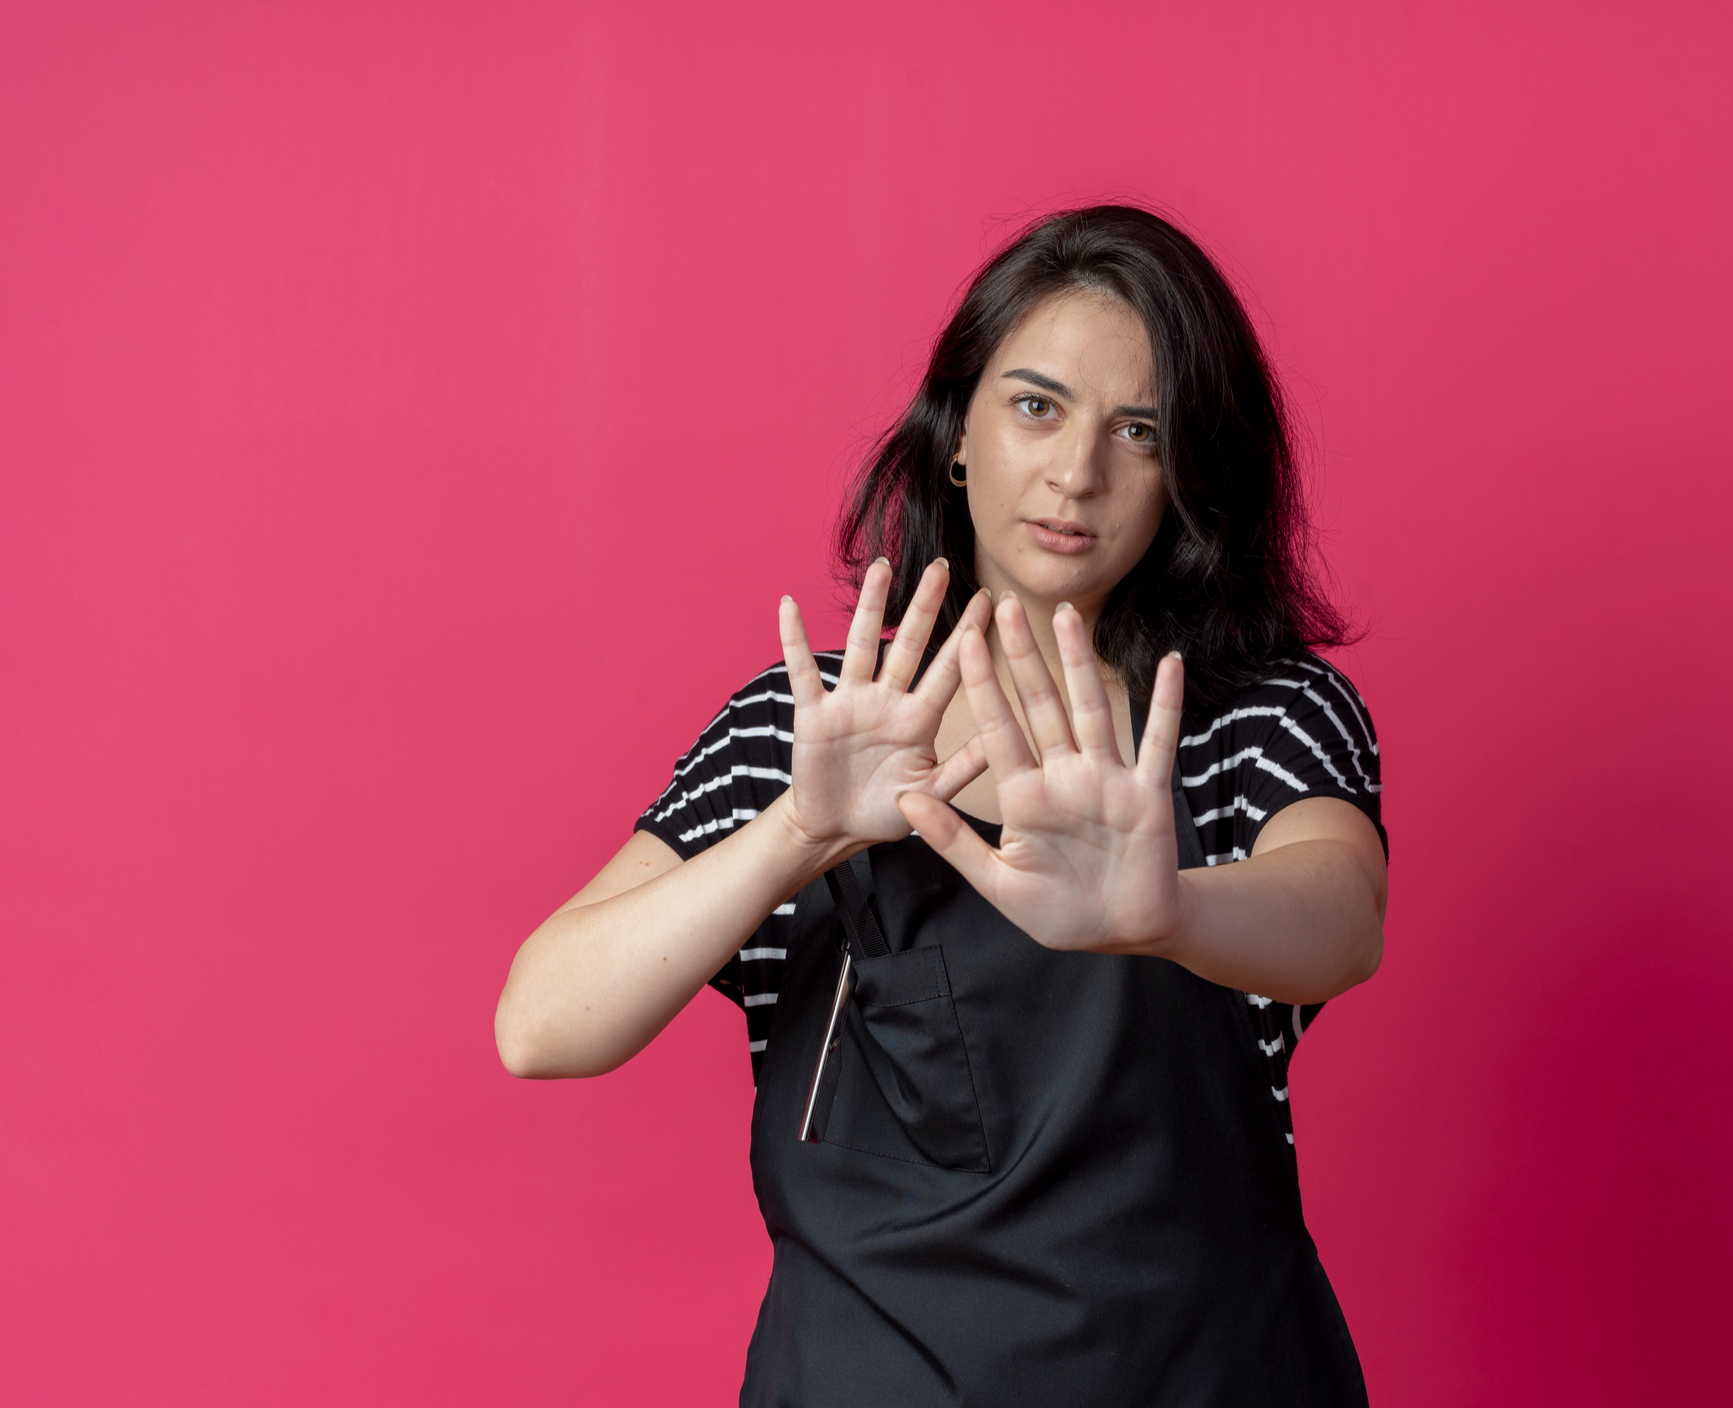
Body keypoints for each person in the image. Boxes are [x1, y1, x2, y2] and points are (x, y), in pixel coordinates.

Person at [495, 205, 1388, 1406]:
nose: (1076, 473)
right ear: (958, 430)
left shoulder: (1255, 711)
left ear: (1189, 474)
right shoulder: (815, 723)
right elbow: (541, 1025)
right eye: (1036, 407)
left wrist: (1165, 910)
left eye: (1139, 430)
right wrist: (799, 833)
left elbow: (1340, 915)